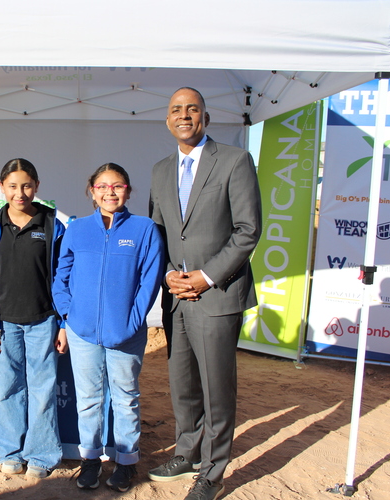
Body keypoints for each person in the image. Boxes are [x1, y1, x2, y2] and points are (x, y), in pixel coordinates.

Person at [148, 87, 262, 500]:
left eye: (192, 109)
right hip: (176, 296)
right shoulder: (161, 170)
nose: (184, 116)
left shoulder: (234, 160)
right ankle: (188, 452)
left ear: (205, 118)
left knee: (216, 387)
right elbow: (157, 233)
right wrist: (167, 274)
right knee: (182, 382)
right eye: (175, 109)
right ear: (167, 120)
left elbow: (248, 230)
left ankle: (213, 472)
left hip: (217, 295)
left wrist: (206, 276)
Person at [52, 163, 163, 492]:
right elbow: (62, 276)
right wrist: (69, 313)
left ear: (128, 191)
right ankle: (90, 461)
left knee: (125, 398)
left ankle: (126, 463)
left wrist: (131, 323)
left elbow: (149, 282)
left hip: (125, 334)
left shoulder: (144, 230)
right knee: (87, 399)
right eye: (102, 186)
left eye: (117, 186)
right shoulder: (77, 228)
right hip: (82, 333)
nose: (110, 192)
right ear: (92, 191)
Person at [0, 158, 67, 479]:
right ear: (2, 187)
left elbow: (61, 276)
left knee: (42, 389)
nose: (20, 193)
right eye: (13, 186)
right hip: (5, 324)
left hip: (43, 321)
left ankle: (42, 456)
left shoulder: (52, 225)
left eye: (27, 185)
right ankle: (10, 451)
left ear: (37, 187)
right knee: (7, 388)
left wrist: (63, 323)